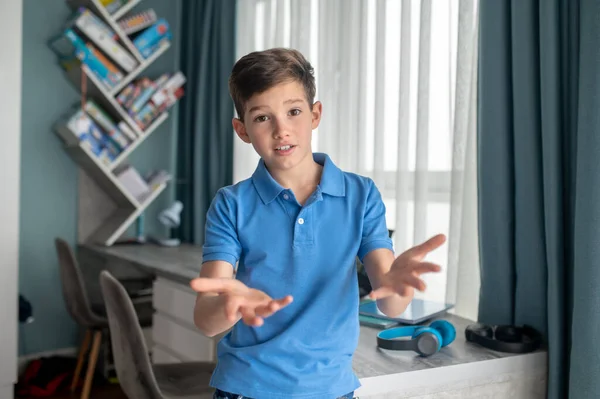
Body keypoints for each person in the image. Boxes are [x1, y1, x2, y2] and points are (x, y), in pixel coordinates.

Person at [190, 47, 446, 399]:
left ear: (315, 114)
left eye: (293, 111)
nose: (282, 130)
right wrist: (230, 305)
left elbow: (391, 305)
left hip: (330, 390)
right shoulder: (231, 205)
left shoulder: (361, 195)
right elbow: (206, 320)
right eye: (263, 117)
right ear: (242, 129)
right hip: (246, 388)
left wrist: (399, 285)